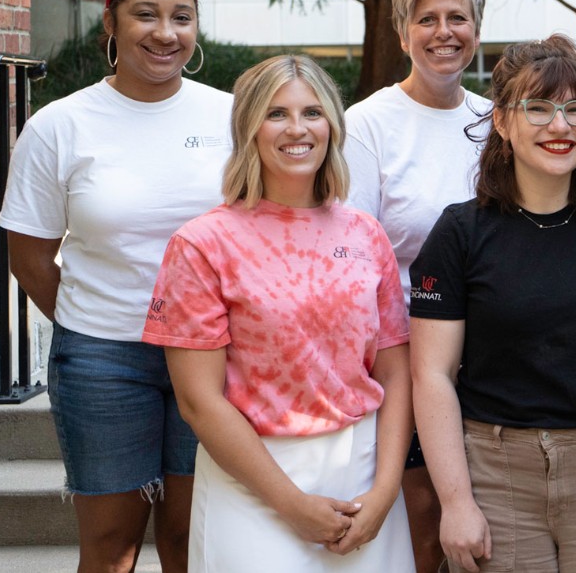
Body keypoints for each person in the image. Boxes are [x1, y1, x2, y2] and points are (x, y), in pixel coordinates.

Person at [412, 35, 576, 573]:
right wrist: (456, 501)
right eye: (538, 108)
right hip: (494, 473)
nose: (559, 126)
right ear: (503, 122)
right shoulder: (459, 233)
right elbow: (432, 374)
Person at [0, 0, 232, 573]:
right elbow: (30, 256)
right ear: (111, 23)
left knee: (193, 540)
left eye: (182, 17)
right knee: (112, 550)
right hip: (103, 358)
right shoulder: (61, 125)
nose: (165, 32)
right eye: (146, 15)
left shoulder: (231, 116)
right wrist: (98, 315)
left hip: (212, 353)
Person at [143, 55, 412, 571]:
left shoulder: (365, 234)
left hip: (365, 476)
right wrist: (291, 505)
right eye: (276, 113)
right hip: (254, 483)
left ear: (332, 123)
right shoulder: (202, 244)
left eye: (312, 112)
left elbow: (395, 372)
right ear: (248, 127)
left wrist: (385, 490)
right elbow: (199, 402)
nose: (297, 129)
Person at [344, 0, 491, 573]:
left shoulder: (496, 122)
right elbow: (350, 257)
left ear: (477, 29)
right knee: (424, 522)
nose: (444, 32)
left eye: (458, 17)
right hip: (401, 355)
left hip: (490, 351)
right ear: (403, 33)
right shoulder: (367, 125)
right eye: (426, 18)